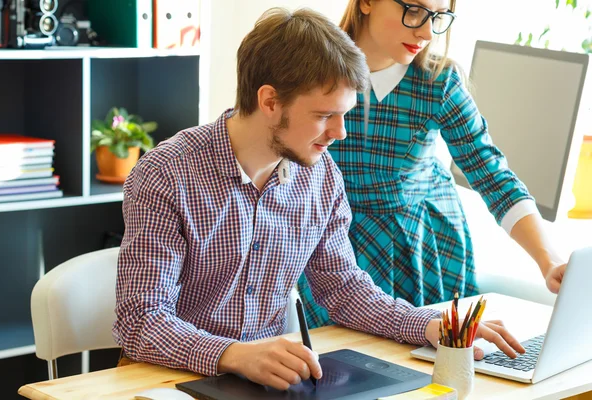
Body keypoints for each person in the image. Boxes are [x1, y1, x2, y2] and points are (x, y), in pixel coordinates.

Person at [113, 7, 524, 391]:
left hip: (262, 383)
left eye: (345, 113)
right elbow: (141, 321)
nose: (340, 133)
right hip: (164, 381)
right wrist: (233, 355)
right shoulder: (166, 174)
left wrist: (430, 325)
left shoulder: (320, 175)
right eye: (325, 115)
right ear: (270, 101)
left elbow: (344, 289)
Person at [297, 0, 568, 330]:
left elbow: (492, 173)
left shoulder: (438, 81)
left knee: (433, 361)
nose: (427, 32)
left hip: (423, 247)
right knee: (340, 363)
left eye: (439, 16)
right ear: (366, 2)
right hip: (335, 245)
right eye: (413, 10)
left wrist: (548, 259)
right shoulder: (309, 67)